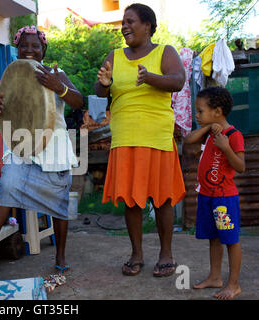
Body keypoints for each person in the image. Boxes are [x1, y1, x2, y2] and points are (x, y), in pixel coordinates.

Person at [0, 26, 83, 272]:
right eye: (24, 46)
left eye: (35, 46)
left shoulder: (56, 73)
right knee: (6, 188)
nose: (29, 50)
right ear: (17, 49)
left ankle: (60, 258)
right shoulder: (12, 75)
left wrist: (58, 86)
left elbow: (79, 101)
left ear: (43, 50)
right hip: (21, 146)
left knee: (59, 205)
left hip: (53, 149)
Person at [95, 3, 186, 277]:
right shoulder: (113, 56)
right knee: (132, 201)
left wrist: (150, 78)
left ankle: (166, 254)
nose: (124, 27)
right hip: (124, 138)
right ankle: (137, 253)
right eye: (123, 22)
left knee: (163, 199)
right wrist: (104, 82)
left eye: (130, 21)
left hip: (156, 136)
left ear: (147, 25)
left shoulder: (164, 52)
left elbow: (178, 80)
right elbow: (100, 94)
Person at [184, 87, 245, 300]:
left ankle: (233, 284)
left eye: (200, 112)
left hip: (224, 199)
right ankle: (215, 277)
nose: (197, 116)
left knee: (230, 239)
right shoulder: (209, 133)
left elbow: (241, 167)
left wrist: (226, 148)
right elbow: (188, 140)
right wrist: (209, 126)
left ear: (217, 111)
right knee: (214, 238)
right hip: (207, 196)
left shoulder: (233, 135)